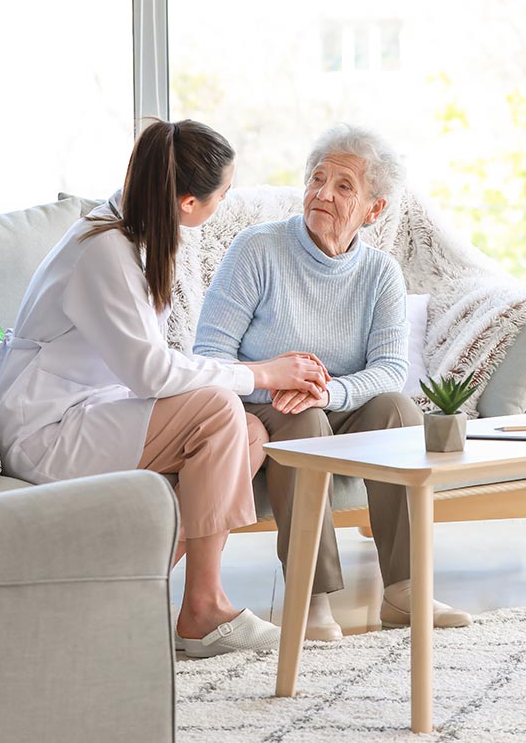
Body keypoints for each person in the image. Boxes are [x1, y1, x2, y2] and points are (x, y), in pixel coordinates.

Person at [0, 119, 330, 658]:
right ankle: (203, 609)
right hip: (46, 433)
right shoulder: (102, 252)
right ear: (189, 203)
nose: (224, 203)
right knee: (222, 411)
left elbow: (151, 367)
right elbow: (150, 373)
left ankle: (122, 588)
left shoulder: (128, 237)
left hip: (89, 414)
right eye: (222, 194)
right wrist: (261, 373)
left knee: (248, 434)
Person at [194, 123, 471, 640]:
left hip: (334, 401)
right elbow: (210, 357)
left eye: (344, 186)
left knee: (398, 412)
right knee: (303, 421)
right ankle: (312, 597)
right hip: (260, 403)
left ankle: (405, 589)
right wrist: (276, 386)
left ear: (374, 209)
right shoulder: (257, 250)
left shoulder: (381, 273)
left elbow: (390, 369)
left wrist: (329, 391)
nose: (322, 193)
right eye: (316, 178)